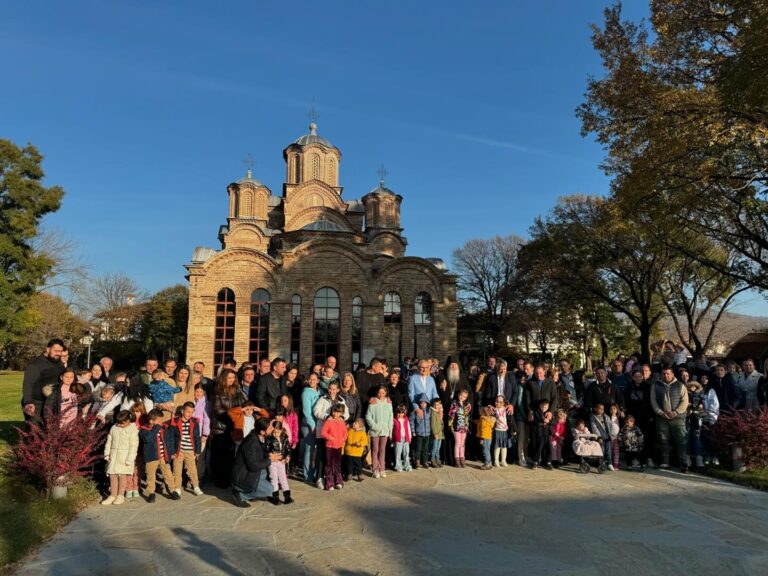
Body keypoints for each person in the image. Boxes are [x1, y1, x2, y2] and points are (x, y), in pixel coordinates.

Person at [210, 368, 247, 488]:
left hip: (235, 427)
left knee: (231, 456)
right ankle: (219, 480)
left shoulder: (238, 390)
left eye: (233, 378)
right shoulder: (217, 391)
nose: (231, 380)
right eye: (229, 378)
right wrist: (232, 418)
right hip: (221, 428)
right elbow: (217, 411)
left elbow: (244, 403)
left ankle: (230, 479)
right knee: (220, 456)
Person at [650, 367, 690, 472]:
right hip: (662, 418)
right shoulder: (656, 385)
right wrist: (660, 413)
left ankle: (683, 463)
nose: (666, 375)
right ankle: (665, 462)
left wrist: (675, 412)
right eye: (664, 374)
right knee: (663, 441)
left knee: (681, 441)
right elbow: (653, 401)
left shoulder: (680, 385)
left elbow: (685, 401)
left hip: (678, 418)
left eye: (668, 374)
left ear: (672, 374)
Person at [231, 418, 276, 508]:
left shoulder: (259, 436)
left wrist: (269, 455)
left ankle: (250, 490)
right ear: (262, 431)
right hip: (243, 476)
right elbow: (254, 466)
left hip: (251, 472)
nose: (272, 429)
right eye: (270, 428)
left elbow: (260, 453)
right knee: (270, 490)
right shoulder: (251, 442)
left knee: (265, 474)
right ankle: (240, 494)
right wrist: (270, 460)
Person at [312, 381, 349, 489]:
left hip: (336, 435)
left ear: (337, 390)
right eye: (330, 388)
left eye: (334, 389)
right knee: (321, 456)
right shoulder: (322, 399)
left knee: (335, 460)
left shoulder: (341, 400)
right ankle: (320, 478)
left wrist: (342, 418)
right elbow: (316, 411)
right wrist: (326, 416)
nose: (331, 391)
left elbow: (346, 413)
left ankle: (334, 479)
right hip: (324, 431)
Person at [139, 408, 179, 502]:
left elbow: (169, 441)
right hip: (151, 457)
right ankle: (151, 493)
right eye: (159, 420)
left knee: (168, 474)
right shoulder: (144, 430)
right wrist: (156, 428)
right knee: (151, 476)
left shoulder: (163, 428)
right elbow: (148, 439)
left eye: (162, 420)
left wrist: (171, 453)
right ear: (151, 421)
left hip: (163, 456)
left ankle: (172, 490)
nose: (161, 422)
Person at [22, 338, 65, 423]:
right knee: (35, 431)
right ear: (48, 349)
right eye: (56, 351)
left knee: (50, 431)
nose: (58, 354)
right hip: (37, 403)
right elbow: (28, 384)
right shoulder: (35, 365)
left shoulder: (59, 362)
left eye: (60, 351)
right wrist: (28, 402)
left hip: (53, 402)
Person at [101, 409, 139, 506]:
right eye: (118, 423)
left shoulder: (133, 430)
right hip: (114, 456)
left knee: (122, 476)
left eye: (122, 423)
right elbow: (109, 440)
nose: (120, 425)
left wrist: (130, 460)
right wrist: (107, 453)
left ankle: (120, 495)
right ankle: (112, 495)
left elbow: (133, 446)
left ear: (128, 421)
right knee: (112, 475)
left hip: (125, 457)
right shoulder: (114, 428)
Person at [168, 401, 204, 497]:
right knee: (177, 470)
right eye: (188, 412)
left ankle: (196, 486)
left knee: (192, 469)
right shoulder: (175, 422)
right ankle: (177, 487)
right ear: (183, 410)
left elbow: (197, 437)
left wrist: (197, 451)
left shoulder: (194, 422)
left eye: (192, 412)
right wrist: (172, 451)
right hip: (178, 450)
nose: (190, 414)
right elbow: (171, 438)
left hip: (190, 450)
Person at [366, 385, 393, 478]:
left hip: (385, 430)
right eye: (379, 392)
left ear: (385, 393)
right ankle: (375, 469)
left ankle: (382, 468)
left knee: (382, 449)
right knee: (375, 449)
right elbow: (368, 416)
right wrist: (374, 426)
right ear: (376, 392)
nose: (381, 394)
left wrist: (390, 429)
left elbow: (391, 416)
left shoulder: (388, 403)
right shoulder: (373, 402)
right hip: (375, 430)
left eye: (383, 392)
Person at [321, 404, 348, 490]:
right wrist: (330, 438)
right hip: (330, 446)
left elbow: (345, 432)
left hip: (339, 446)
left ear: (341, 413)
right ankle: (329, 483)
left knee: (337, 465)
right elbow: (323, 432)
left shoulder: (342, 422)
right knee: (329, 465)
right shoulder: (329, 421)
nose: (336, 414)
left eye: (338, 412)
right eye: (334, 412)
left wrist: (343, 438)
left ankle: (339, 482)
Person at [301, 373, 321, 484]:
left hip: (319, 425)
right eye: (310, 379)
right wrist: (313, 426)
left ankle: (314, 472)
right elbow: (307, 412)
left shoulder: (319, 391)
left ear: (318, 380)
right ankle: (307, 475)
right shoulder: (306, 393)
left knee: (315, 450)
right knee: (309, 449)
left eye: (314, 379)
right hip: (308, 425)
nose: (312, 381)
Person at [266, 421, 292, 505]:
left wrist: (288, 456)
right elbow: (265, 450)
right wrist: (270, 455)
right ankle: (275, 498)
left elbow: (288, 449)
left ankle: (287, 497)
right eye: (274, 432)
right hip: (273, 462)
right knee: (274, 479)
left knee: (283, 479)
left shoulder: (284, 438)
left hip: (281, 462)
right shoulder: (269, 439)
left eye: (278, 432)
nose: (276, 434)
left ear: (281, 430)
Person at [448, 389, 472, 468]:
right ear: (458, 395)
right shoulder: (454, 403)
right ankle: (457, 460)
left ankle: (462, 459)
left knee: (462, 444)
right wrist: (450, 425)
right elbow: (450, 414)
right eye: (461, 395)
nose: (462, 397)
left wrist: (467, 426)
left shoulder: (467, 405)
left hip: (464, 427)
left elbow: (467, 415)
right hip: (456, 426)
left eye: (464, 396)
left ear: (466, 398)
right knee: (457, 443)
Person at [192, 383, 211, 483]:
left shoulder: (205, 403)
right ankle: (191, 477)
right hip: (190, 433)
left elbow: (207, 419)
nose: (198, 394)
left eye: (201, 392)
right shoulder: (191, 401)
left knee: (199, 456)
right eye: (197, 391)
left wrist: (205, 433)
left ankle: (199, 476)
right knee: (191, 457)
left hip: (200, 434)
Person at [409, 395, 432, 469]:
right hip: (419, 433)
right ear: (419, 403)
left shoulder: (429, 411)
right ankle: (417, 461)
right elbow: (411, 421)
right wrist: (413, 431)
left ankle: (425, 461)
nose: (423, 405)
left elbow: (431, 421)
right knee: (418, 448)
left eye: (424, 403)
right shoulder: (415, 411)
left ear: (427, 403)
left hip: (427, 433)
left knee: (425, 448)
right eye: (421, 403)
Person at [531, 399, 553, 470]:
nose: (544, 409)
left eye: (545, 407)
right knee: (539, 447)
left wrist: (549, 421)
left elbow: (554, 422)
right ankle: (535, 462)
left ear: (548, 406)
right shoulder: (536, 412)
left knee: (548, 448)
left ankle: (548, 462)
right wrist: (543, 421)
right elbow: (535, 421)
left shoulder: (550, 413)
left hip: (547, 433)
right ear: (540, 406)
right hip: (540, 433)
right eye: (542, 407)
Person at [590, 403, 613, 471]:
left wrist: (611, 434)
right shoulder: (593, 417)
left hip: (607, 436)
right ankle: (601, 463)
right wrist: (598, 436)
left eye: (603, 409)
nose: (601, 410)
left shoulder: (606, 417)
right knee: (601, 451)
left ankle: (609, 463)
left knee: (608, 451)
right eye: (600, 409)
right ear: (595, 409)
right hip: (600, 437)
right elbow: (594, 428)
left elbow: (610, 426)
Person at [392, 403, 413, 472]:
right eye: (398, 412)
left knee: (406, 453)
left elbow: (409, 428)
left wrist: (410, 437)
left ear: (404, 412)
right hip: (398, 439)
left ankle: (407, 466)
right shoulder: (394, 420)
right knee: (398, 453)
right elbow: (391, 429)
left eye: (401, 413)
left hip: (406, 438)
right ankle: (398, 466)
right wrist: (391, 439)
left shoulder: (406, 419)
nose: (399, 414)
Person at [477, 405, 495, 470]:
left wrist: (481, 438)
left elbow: (483, 430)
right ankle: (489, 463)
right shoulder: (490, 420)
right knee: (488, 450)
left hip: (484, 437)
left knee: (485, 450)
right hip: (489, 437)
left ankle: (487, 463)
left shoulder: (483, 420)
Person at [430, 398, 445, 468]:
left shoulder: (439, 413)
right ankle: (433, 460)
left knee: (438, 448)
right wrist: (435, 433)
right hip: (436, 434)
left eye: (438, 404)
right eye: (435, 405)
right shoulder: (433, 413)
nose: (437, 406)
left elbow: (441, 423)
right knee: (434, 448)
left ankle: (437, 459)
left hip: (440, 434)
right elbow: (433, 424)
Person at [608, 403, 621, 470]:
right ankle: (610, 463)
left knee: (616, 451)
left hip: (617, 438)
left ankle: (616, 464)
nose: (613, 410)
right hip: (610, 437)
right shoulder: (608, 418)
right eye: (611, 409)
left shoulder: (619, 418)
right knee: (610, 451)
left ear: (617, 410)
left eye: (614, 408)